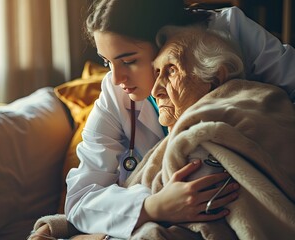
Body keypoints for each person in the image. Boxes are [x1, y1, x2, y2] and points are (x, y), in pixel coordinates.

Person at [30, 0, 295, 239]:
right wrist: (155, 206)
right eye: (107, 62)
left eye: (129, 60)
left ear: (166, 42)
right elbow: (81, 198)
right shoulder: (114, 93)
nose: (116, 78)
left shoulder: (231, 31)